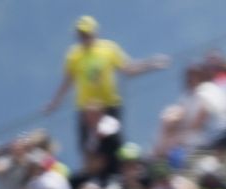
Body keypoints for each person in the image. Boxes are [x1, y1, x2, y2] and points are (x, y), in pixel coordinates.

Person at [42, 16, 169, 151]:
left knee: (113, 145)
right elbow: (67, 81)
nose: (83, 38)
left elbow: (128, 69)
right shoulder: (73, 55)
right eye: (80, 34)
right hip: (86, 110)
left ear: (94, 33)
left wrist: (151, 64)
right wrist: (55, 102)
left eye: (86, 34)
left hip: (109, 106)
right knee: (87, 149)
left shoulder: (109, 49)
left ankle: (118, 170)